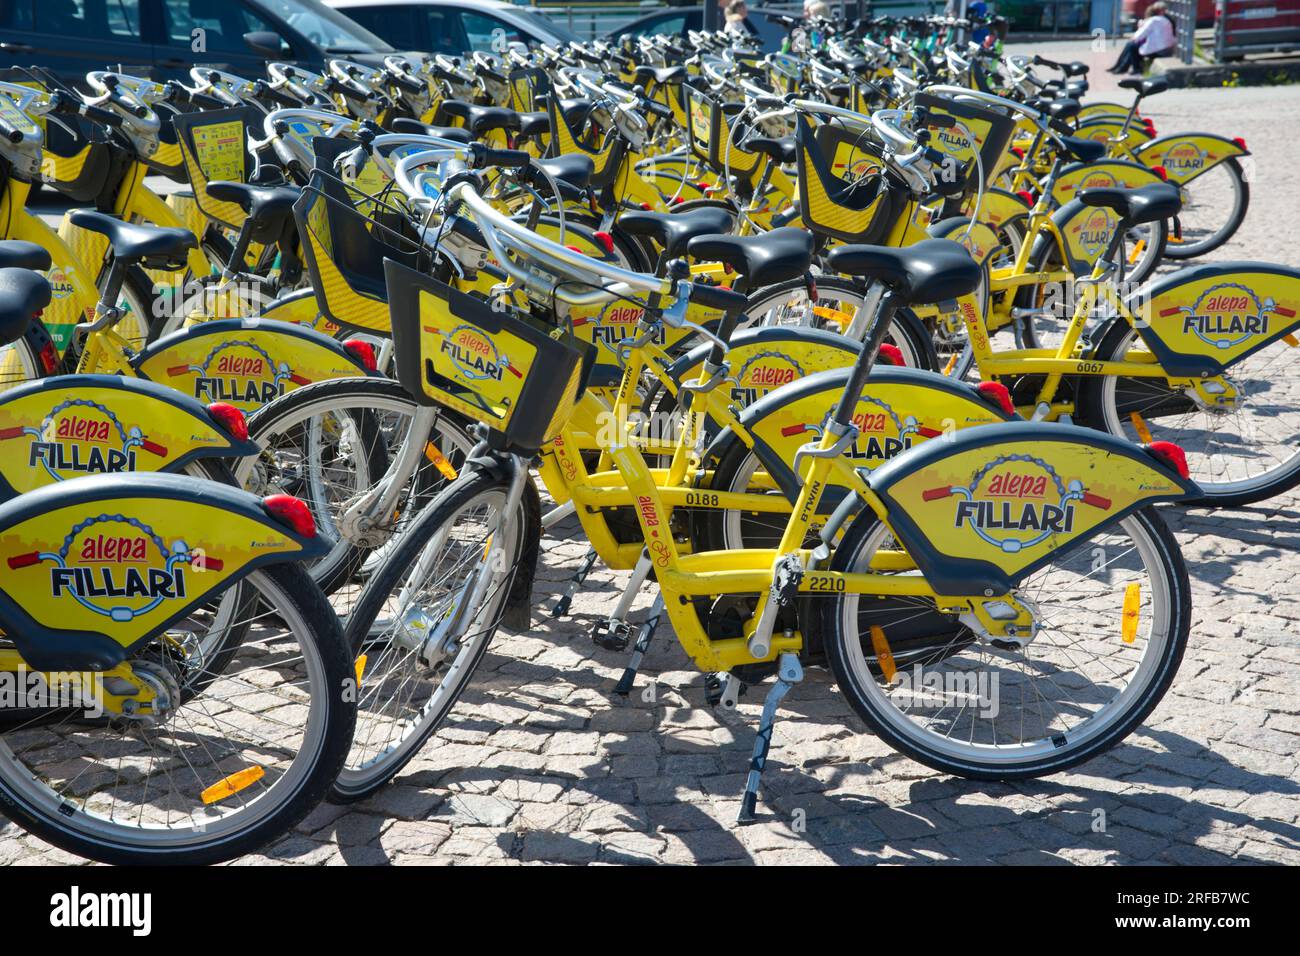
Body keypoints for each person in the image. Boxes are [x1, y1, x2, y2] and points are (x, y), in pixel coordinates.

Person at [1109, 2, 1176, 75]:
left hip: (1160, 50)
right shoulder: (1166, 19)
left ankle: (1132, 68)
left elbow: (1141, 34)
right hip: (1167, 48)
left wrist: (1139, 29)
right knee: (1132, 45)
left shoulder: (1154, 20)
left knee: (1131, 46)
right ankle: (1121, 66)